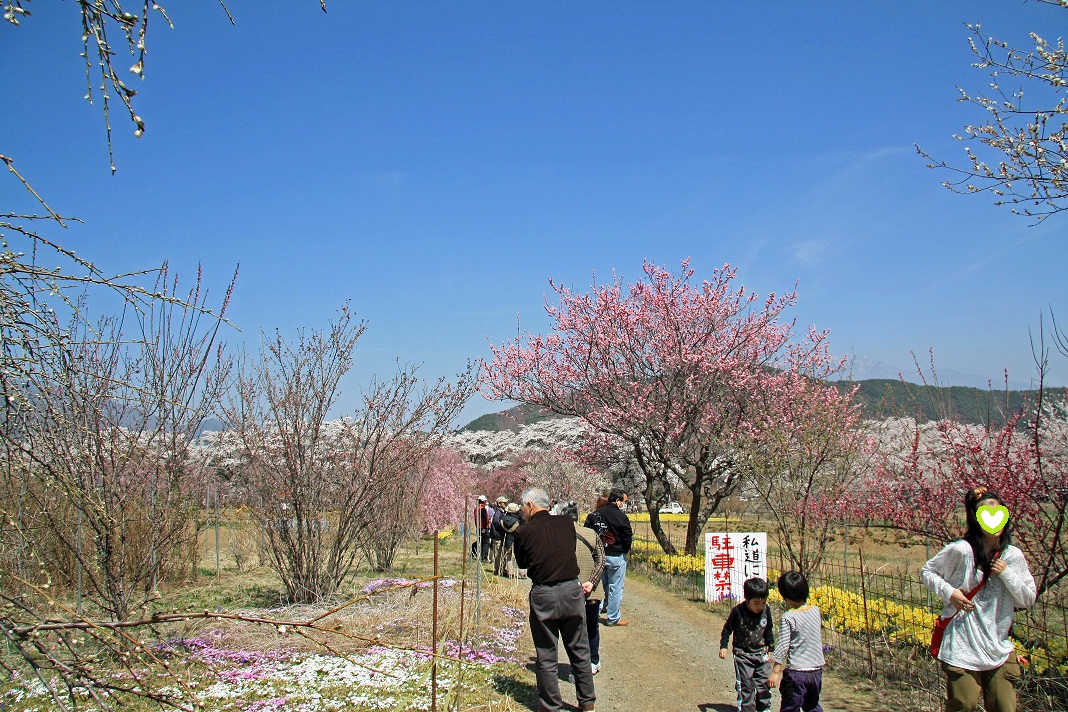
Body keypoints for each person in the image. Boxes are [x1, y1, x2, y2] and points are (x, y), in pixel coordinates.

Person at [921, 487, 1036, 712]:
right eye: (984, 511)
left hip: (997, 647)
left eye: (997, 510)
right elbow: (927, 572)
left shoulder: (1013, 556)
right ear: (975, 519)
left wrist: (1006, 573)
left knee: (1005, 707)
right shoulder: (961, 551)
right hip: (963, 645)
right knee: (963, 705)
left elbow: (1028, 599)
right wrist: (950, 593)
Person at [513, 487, 596, 712]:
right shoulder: (566, 523)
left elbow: (522, 564)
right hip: (572, 590)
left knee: (547, 652)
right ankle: (587, 701)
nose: (522, 511)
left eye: (523, 507)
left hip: (544, 594)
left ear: (530, 505)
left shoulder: (523, 532)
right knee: (579, 648)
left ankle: (551, 706)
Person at [768, 571, 824, 712]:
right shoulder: (815, 610)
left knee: (790, 706)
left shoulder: (789, 617)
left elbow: (783, 645)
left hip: (797, 673)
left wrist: (776, 671)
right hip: (816, 671)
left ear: (787, 597)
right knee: (812, 705)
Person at [719, 577, 775, 712]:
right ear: (746, 598)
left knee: (764, 683)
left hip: (762, 653)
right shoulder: (738, 612)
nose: (760, 606)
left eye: (763, 602)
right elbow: (727, 629)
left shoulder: (765, 611)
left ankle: (763, 708)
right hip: (742, 655)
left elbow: (768, 630)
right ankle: (746, 709)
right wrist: (724, 646)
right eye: (756, 603)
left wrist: (771, 647)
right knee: (746, 684)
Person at [584, 488, 632, 626]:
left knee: (598, 586)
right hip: (616, 556)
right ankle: (612, 618)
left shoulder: (594, 515)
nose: (624, 504)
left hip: (598, 557)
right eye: (624, 501)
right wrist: (623, 550)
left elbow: (587, 533)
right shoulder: (621, 517)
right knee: (615, 588)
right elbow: (627, 536)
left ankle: (595, 615)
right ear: (617, 501)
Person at [575, 515, 606, 675]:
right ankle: (593, 660)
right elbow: (601, 560)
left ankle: (577, 665)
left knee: (574, 629)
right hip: (593, 592)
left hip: (570, 591)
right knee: (592, 626)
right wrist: (592, 582)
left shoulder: (560, 535)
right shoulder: (591, 533)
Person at [496, 501, 523, 577]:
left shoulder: (503, 519)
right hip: (515, 541)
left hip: (506, 540)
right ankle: (518, 573)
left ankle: (507, 571)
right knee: (516, 557)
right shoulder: (517, 521)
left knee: (506, 556)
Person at [472, 495, 492, 562]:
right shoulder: (482, 509)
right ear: (483, 501)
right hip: (483, 528)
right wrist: (484, 527)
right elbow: (484, 519)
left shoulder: (476, 509)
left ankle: (475, 553)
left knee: (480, 541)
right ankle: (484, 557)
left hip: (478, 527)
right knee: (486, 542)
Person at [490, 495, 508, 568]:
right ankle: (498, 569)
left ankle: (500, 568)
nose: (506, 504)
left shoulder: (501, 511)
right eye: (504, 503)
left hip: (499, 535)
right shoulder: (498, 512)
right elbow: (496, 522)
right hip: (497, 536)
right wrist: (503, 526)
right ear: (499, 503)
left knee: (500, 553)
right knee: (497, 554)